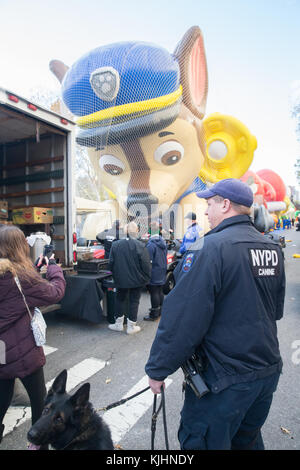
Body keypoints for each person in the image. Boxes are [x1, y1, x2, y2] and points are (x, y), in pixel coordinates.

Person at [145, 178, 285, 450]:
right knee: (246, 442)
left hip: (225, 382)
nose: (206, 211)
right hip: (266, 374)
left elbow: (183, 318)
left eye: (209, 204)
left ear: (226, 204)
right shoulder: (272, 249)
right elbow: (274, 311)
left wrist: (157, 370)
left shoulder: (209, 248)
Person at [0, 225, 66, 449]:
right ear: (19, 247)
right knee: (40, 400)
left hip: (1, 349)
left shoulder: (12, 274)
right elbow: (54, 292)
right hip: (23, 351)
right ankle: (39, 444)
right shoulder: (22, 276)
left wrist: (34, 271)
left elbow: (14, 298)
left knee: (1, 397)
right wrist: (54, 268)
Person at [108, 222, 151, 334]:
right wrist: (146, 278)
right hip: (137, 280)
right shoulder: (141, 245)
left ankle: (118, 324)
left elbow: (111, 263)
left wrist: (115, 275)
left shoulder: (115, 245)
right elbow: (146, 264)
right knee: (134, 301)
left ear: (125, 231)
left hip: (120, 279)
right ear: (136, 231)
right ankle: (131, 326)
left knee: (120, 299)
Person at [144, 222, 168, 322]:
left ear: (150, 230)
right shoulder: (163, 242)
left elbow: (148, 260)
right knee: (160, 291)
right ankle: (161, 311)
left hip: (154, 270)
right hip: (162, 269)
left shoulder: (151, 244)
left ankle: (154, 314)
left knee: (154, 292)